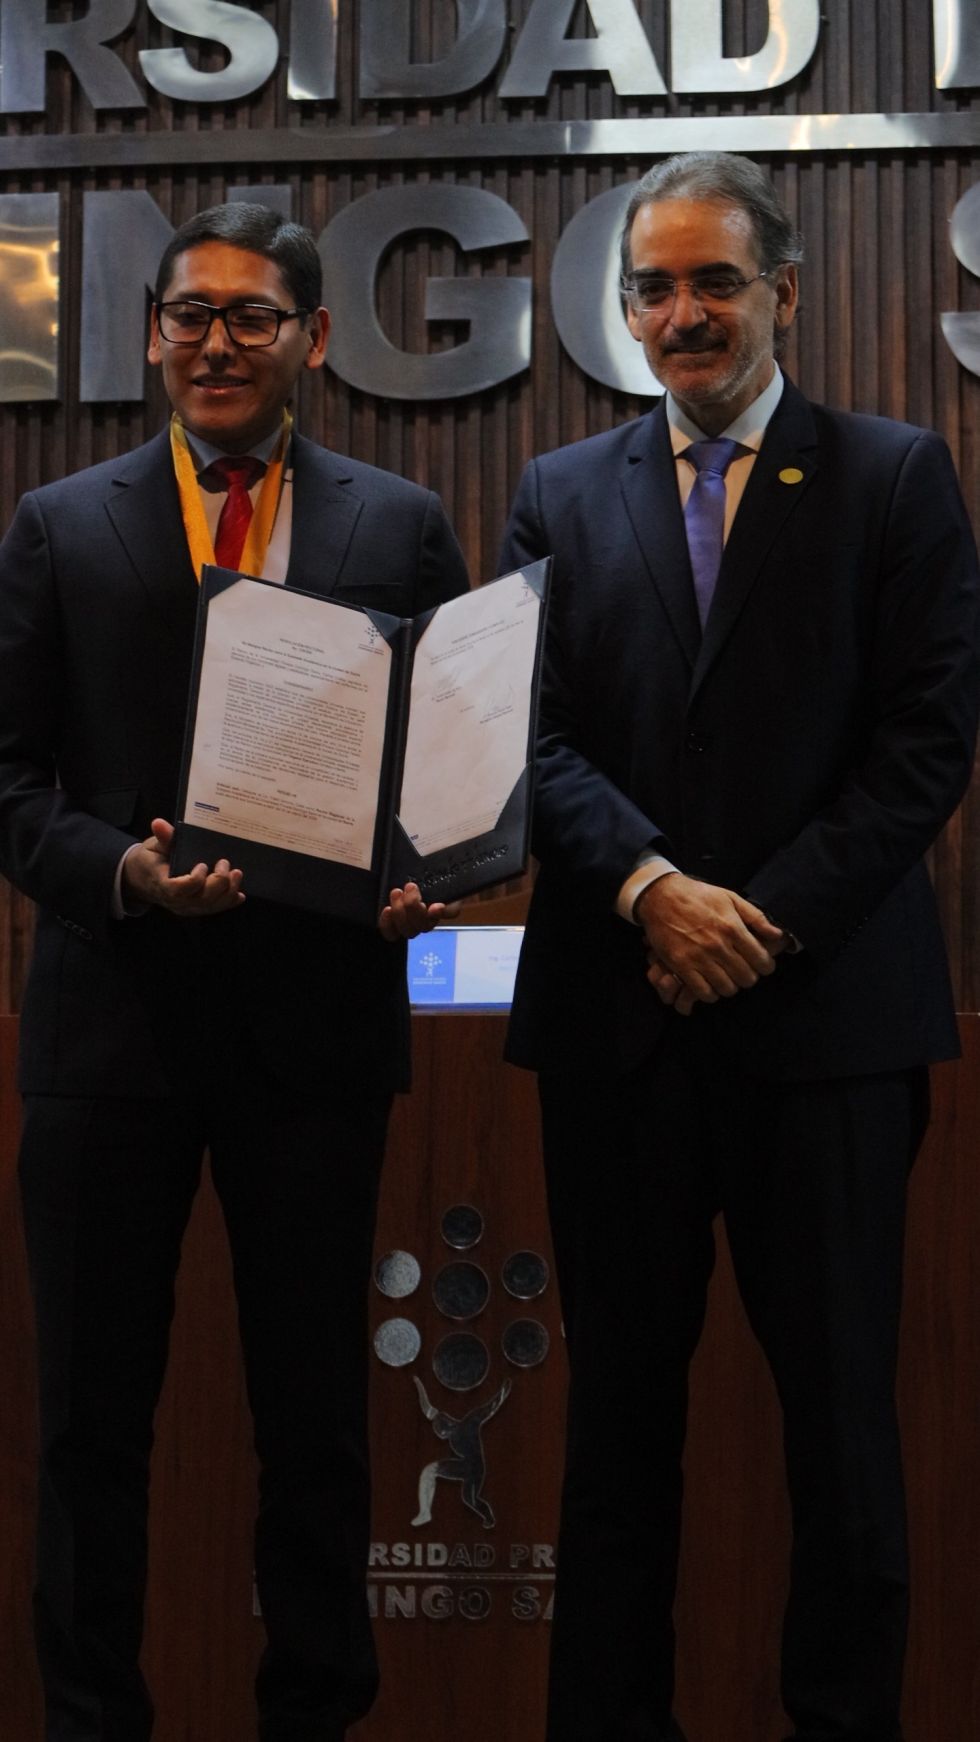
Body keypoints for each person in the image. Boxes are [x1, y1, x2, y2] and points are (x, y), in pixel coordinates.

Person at [499, 152, 980, 1742]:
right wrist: (653, 887)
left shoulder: (895, 476)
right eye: (654, 288)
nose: (684, 314)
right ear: (625, 310)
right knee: (614, 1440)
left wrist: (752, 923)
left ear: (784, 290)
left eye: (715, 281)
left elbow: (924, 745)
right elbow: (527, 737)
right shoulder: (560, 492)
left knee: (843, 1436)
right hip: (618, 1024)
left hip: (825, 1027)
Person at [0, 203, 468, 1742]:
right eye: (191, 315)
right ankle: (90, 1721)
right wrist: (119, 870)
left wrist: (427, 871)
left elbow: (447, 763)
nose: (217, 341)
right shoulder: (60, 523)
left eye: (252, 316)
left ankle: (316, 1718)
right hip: (108, 1032)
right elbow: (9, 781)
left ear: (312, 339)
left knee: (318, 1425)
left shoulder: (400, 523)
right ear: (153, 335)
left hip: (315, 1036)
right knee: (87, 1429)